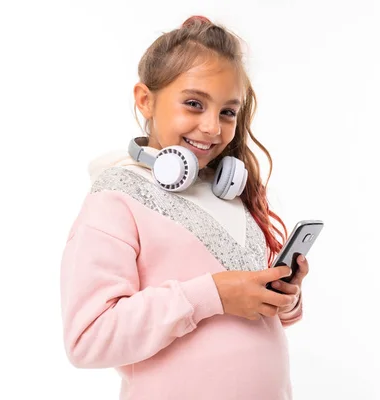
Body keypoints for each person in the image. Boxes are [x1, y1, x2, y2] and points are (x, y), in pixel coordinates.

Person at [60, 15, 310, 400]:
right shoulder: (116, 197)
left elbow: (259, 318)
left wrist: (283, 296)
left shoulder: (230, 191)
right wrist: (213, 294)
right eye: (194, 104)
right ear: (145, 99)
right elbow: (89, 338)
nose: (212, 127)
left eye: (228, 111)